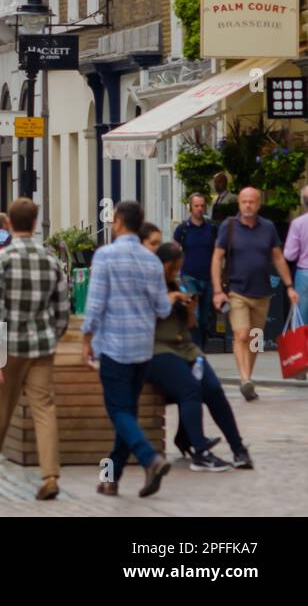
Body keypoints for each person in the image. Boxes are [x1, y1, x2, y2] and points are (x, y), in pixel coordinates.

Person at [0, 198, 68, 500]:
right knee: (44, 408)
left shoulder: (2, 261)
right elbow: (63, 309)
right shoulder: (50, 260)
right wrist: (52, 336)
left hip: (9, 347)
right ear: (33, 224)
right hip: (42, 346)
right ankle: (50, 475)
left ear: (9, 225)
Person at [82, 200, 175, 498]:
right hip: (143, 348)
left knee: (119, 411)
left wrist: (86, 337)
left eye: (113, 219)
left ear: (120, 221)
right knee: (127, 414)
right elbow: (162, 308)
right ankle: (110, 478)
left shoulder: (105, 256)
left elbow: (95, 305)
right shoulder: (151, 261)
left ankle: (150, 459)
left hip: (114, 346)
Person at [145, 242, 243, 472]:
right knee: (190, 388)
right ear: (166, 265)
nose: (177, 271)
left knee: (213, 388)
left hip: (186, 349)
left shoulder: (176, 283)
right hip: (160, 350)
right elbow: (147, 316)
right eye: (175, 267)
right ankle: (201, 451)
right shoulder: (150, 285)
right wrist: (170, 299)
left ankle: (238, 448)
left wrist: (189, 309)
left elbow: (189, 325)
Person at [210, 187, 298, 402]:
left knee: (255, 340)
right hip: (237, 291)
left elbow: (277, 257)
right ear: (239, 203)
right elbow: (216, 257)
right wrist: (218, 291)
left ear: (258, 204)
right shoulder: (229, 226)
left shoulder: (267, 228)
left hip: (263, 293)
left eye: (252, 201)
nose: (247, 205)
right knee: (241, 335)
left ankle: (248, 376)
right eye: (244, 201)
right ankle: (245, 379)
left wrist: (289, 286)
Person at [173, 192, 218, 348]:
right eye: (196, 206)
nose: (199, 209)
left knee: (205, 319)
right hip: (189, 276)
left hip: (209, 277)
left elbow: (219, 252)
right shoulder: (182, 229)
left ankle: (200, 347)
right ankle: (195, 350)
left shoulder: (212, 228)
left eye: (202, 206)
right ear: (190, 207)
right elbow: (174, 250)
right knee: (195, 315)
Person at [278, 184, 308, 345]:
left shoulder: (298, 223)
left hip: (304, 274)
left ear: (303, 202)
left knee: (301, 319)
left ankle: (303, 358)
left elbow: (289, 254)